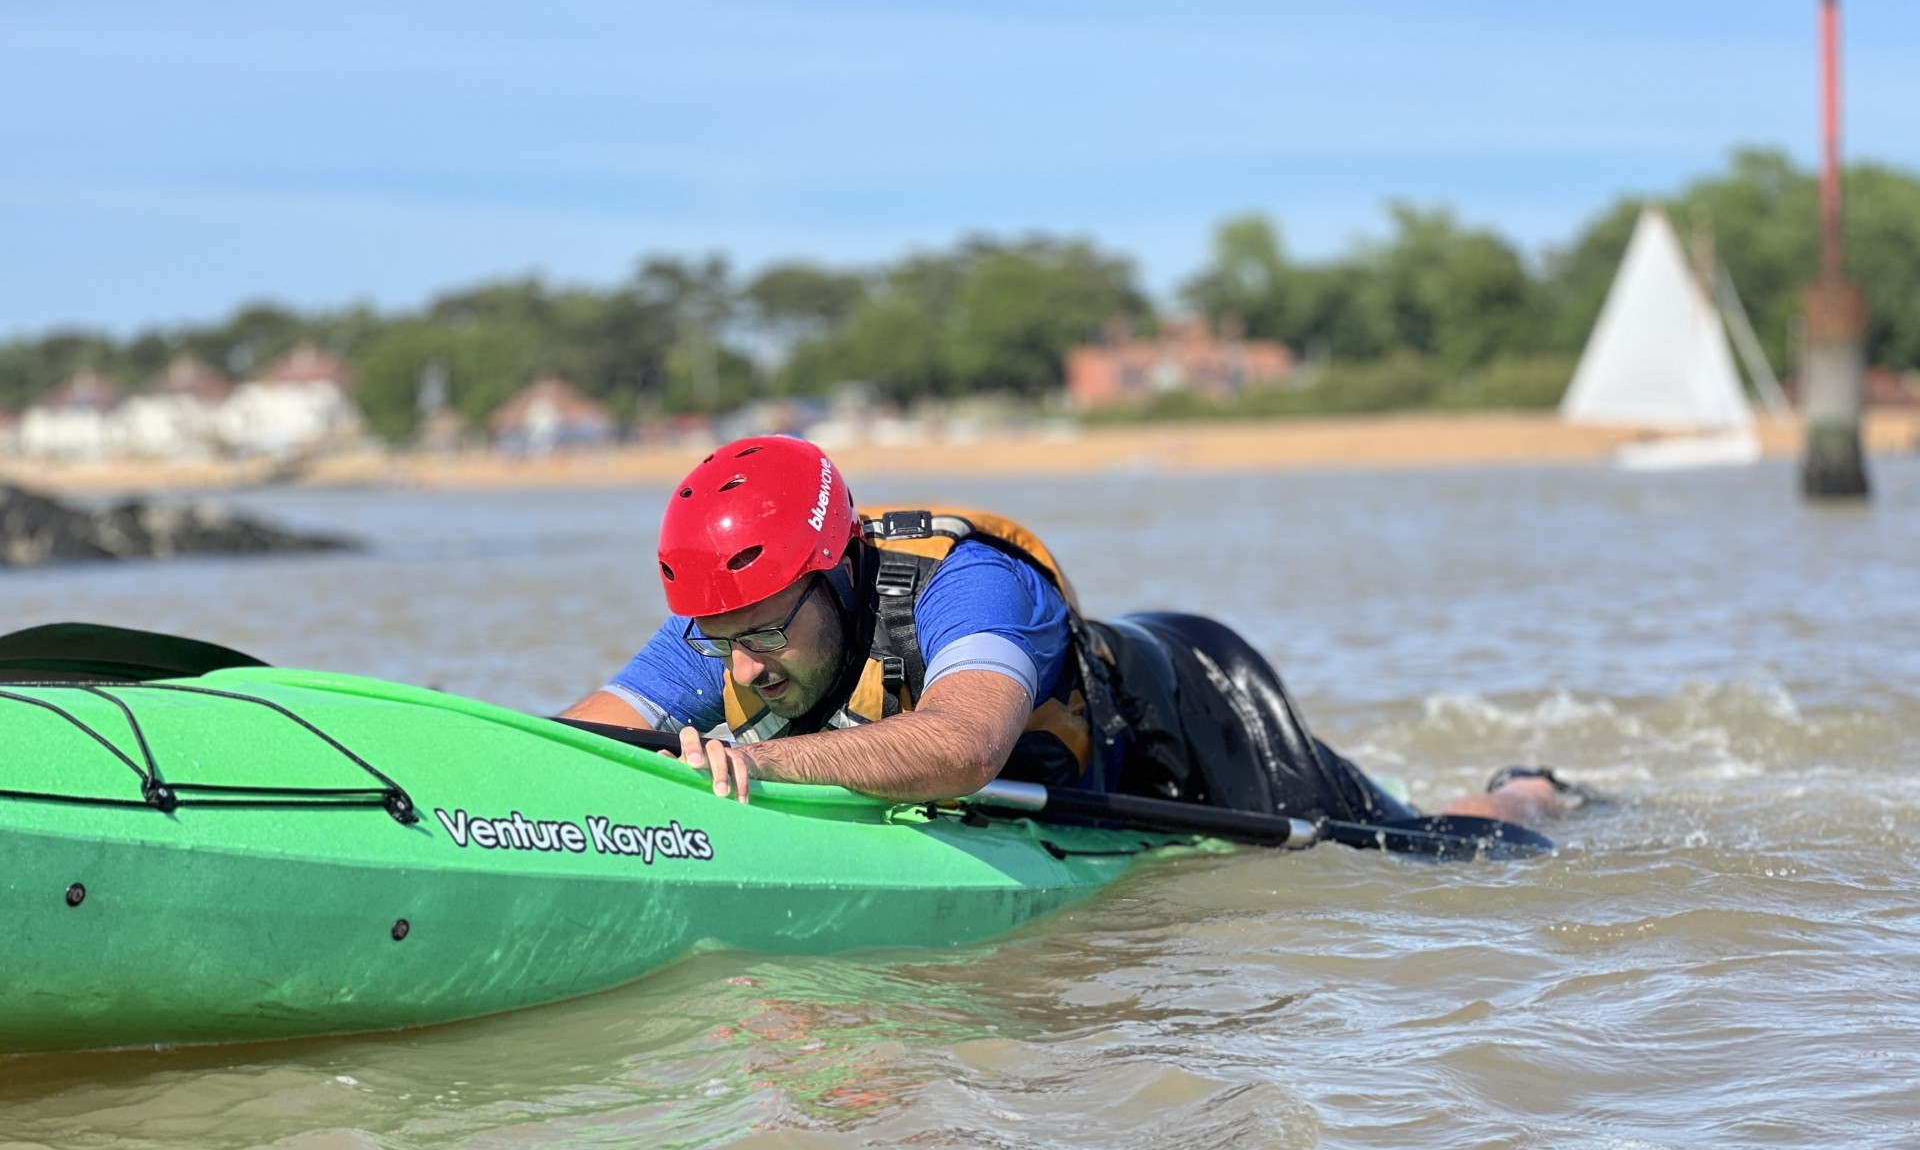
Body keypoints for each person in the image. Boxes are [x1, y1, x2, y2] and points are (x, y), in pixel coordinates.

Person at [561, 435, 1575, 829]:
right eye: (715, 636)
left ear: (832, 571)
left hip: (1195, 716)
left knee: (1419, 849)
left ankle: (1528, 792)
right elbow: (579, 738)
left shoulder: (973, 589)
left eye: (765, 634)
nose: (737, 665)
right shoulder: (736, 620)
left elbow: (964, 745)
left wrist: (762, 770)